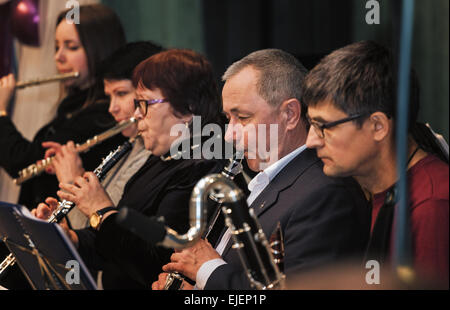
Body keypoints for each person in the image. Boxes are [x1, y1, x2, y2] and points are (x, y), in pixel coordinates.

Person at [152, 49, 371, 290]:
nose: (229, 135)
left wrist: (207, 269)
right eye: (228, 119)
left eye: (243, 118)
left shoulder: (325, 194)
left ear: (290, 114)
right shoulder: (265, 179)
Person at [34, 49, 226, 289]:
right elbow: (115, 246)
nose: (136, 115)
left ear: (187, 110)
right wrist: (71, 239)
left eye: (144, 104)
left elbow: (155, 262)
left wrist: (101, 210)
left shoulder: (203, 167)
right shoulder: (163, 156)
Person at [302, 41, 448, 285]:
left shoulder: (431, 206)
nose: (310, 141)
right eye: (311, 124)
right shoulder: (378, 191)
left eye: (323, 127)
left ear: (378, 126)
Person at [0, 4, 127, 210]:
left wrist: (1, 112)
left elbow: (23, 160)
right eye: (57, 46)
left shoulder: (103, 114)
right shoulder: (72, 106)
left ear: (100, 50)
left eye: (71, 46)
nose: (59, 57)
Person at [43, 41, 164, 230]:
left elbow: (99, 232)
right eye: (109, 96)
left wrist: (71, 180)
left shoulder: (152, 156)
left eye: (121, 94)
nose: (111, 108)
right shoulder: (131, 144)